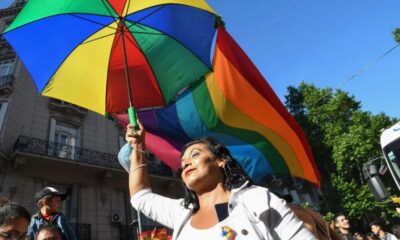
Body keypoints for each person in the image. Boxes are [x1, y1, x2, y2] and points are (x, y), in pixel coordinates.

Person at [121, 123, 317, 239]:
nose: (186, 162)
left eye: (195, 154)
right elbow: (140, 196)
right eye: (183, 162)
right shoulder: (181, 213)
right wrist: (138, 144)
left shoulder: (256, 200)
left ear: (221, 160)